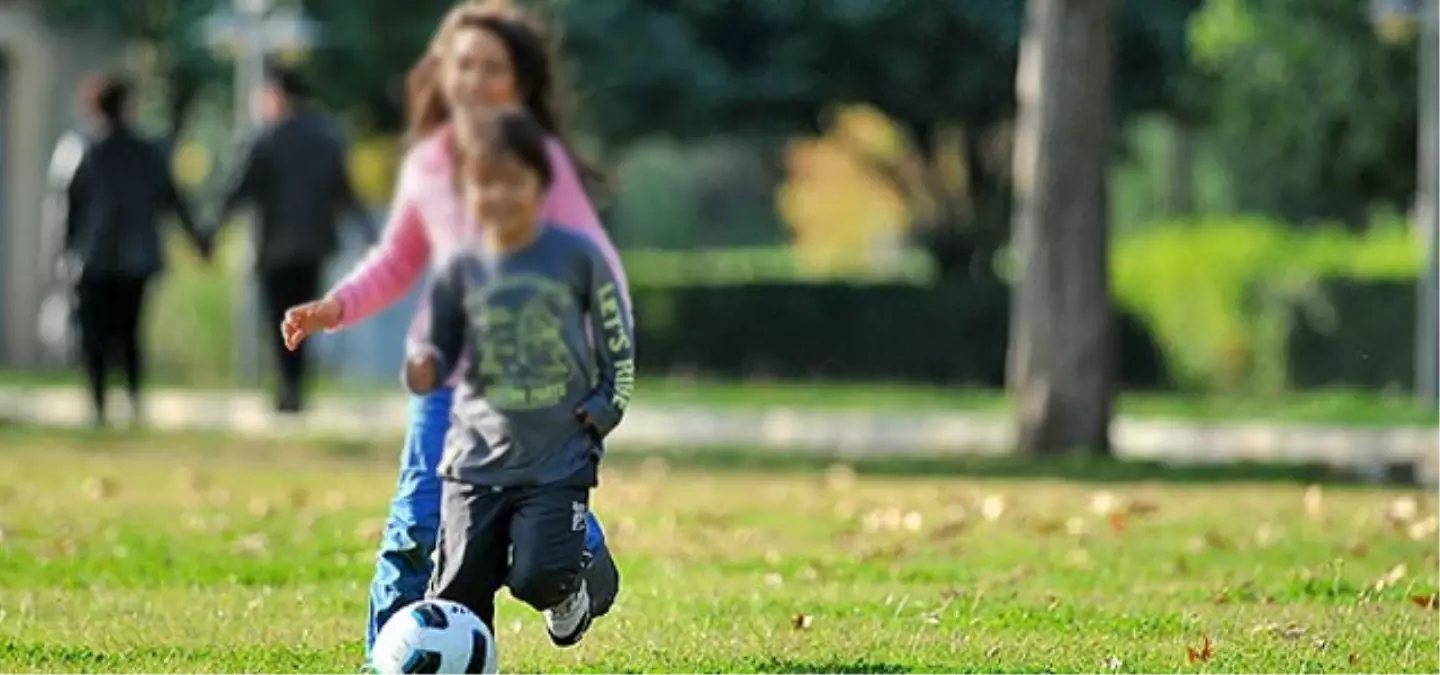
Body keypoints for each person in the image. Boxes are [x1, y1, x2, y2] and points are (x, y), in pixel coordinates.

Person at [277, 0, 628, 658]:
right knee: (417, 517)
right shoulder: (433, 164)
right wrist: (337, 304)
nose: (472, 80)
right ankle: (389, 659)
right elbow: (398, 258)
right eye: (461, 64)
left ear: (519, 78)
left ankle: (582, 552)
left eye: (491, 67)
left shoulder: (541, 164)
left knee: (527, 503)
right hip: (446, 377)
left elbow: (596, 269)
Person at [407, 107, 634, 646]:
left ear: (540, 186)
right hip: (474, 456)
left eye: (515, 182)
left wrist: (604, 409)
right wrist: (423, 369)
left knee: (536, 576)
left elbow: (617, 349)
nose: (500, 196)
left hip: (557, 456)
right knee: (458, 593)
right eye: (486, 184)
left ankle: (574, 576)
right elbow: (437, 350)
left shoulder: (578, 258)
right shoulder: (459, 266)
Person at [212, 62, 378, 414]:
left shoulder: (265, 139)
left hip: (273, 247)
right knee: (306, 317)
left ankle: (287, 389)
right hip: (314, 245)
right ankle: (297, 387)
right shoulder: (326, 138)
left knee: (278, 319)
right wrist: (370, 234)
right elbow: (345, 190)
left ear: (277, 95)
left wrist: (211, 231)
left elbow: (238, 191)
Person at [50, 74, 210, 427]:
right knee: (129, 332)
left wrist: (60, 256)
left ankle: (98, 403)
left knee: (95, 335)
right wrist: (197, 240)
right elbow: (174, 200)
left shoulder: (79, 150)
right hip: (136, 259)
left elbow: (64, 209)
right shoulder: (147, 152)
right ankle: (133, 401)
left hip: (91, 259)